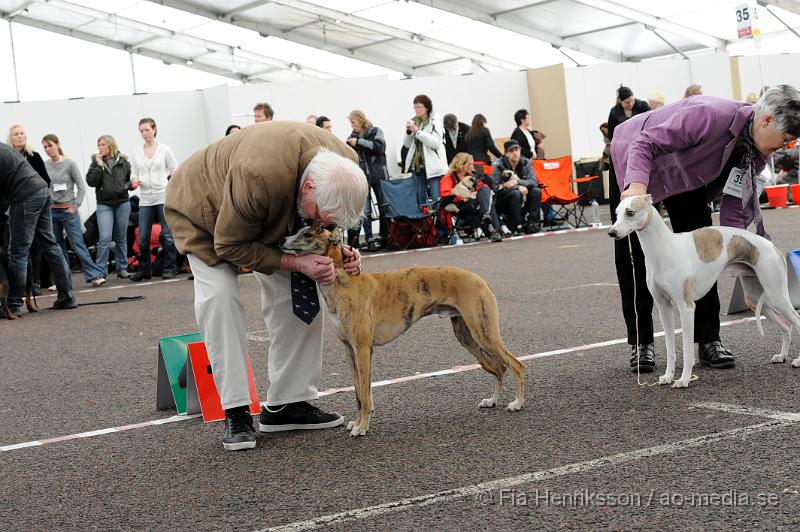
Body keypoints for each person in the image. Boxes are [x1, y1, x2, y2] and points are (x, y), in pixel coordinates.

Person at [165, 122, 368, 451]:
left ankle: (289, 403)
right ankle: (236, 409)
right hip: (205, 213)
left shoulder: (346, 165)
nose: (322, 225)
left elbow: (327, 223)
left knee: (300, 288)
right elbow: (228, 246)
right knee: (219, 298)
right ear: (308, 188)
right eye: (320, 217)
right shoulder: (260, 174)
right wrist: (295, 261)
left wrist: (342, 253)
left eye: (330, 223)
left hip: (269, 208)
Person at [611, 84, 800, 375]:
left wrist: (743, 261)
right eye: (786, 138)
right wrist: (636, 183)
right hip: (636, 159)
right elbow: (645, 143)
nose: (786, 146)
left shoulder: (759, 152)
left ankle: (709, 339)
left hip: (689, 179)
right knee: (635, 255)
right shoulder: (709, 114)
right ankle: (642, 343)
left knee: (704, 249)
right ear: (766, 121)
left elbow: (734, 211)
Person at [606, 85, 653, 371]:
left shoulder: (646, 107)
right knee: (630, 263)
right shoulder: (614, 114)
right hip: (624, 173)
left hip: (659, 167)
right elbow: (613, 141)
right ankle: (641, 343)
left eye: (632, 99)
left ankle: (706, 338)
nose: (630, 103)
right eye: (626, 101)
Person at [0, 143, 76, 314]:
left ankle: (13, 304)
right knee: (50, 245)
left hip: (24, 196)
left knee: (18, 251)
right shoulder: (3, 148)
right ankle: (67, 297)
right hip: (41, 191)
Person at [41, 134, 106, 287]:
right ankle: (63, 281)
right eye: (45, 147)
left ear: (57, 144)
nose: (48, 149)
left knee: (77, 244)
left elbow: (81, 187)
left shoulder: (69, 164)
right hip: (52, 212)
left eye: (50, 145)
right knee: (57, 247)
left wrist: (75, 206)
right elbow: (43, 187)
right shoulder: (45, 165)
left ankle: (95, 275)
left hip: (68, 211)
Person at [129, 118, 179, 282]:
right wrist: (134, 180)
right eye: (141, 131)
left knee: (167, 234)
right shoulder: (136, 152)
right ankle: (145, 270)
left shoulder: (165, 150)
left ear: (154, 129)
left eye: (147, 130)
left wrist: (171, 188)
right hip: (145, 198)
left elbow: (175, 170)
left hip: (162, 195)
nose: (144, 133)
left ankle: (170, 268)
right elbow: (134, 172)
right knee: (143, 237)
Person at [8, 124, 51, 294]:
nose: (19, 136)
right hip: (15, 206)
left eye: (22, 133)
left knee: (35, 246)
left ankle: (35, 282)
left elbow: (46, 180)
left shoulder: (35, 156)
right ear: (10, 138)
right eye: (16, 134)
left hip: (34, 204)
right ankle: (20, 285)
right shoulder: (8, 157)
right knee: (19, 247)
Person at [86, 135, 136, 280]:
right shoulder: (95, 162)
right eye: (99, 145)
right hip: (104, 205)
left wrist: (128, 186)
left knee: (121, 237)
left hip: (122, 203)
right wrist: (99, 166)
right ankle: (101, 271)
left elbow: (128, 180)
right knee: (105, 238)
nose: (100, 148)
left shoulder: (124, 162)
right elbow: (91, 182)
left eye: (103, 145)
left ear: (110, 145)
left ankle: (122, 268)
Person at [346, 110, 389, 251]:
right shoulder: (351, 137)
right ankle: (369, 239)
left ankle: (385, 237)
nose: (352, 126)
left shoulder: (376, 131)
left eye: (353, 122)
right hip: (361, 178)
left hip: (379, 175)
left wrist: (359, 142)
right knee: (366, 211)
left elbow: (379, 147)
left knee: (384, 207)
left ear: (360, 120)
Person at [439, 153, 502, 242]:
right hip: (459, 207)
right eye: (471, 164)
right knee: (485, 204)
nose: (473, 166)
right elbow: (446, 196)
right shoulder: (447, 179)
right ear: (462, 165)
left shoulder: (471, 176)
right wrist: (463, 198)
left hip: (473, 203)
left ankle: (486, 217)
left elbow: (483, 188)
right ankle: (494, 230)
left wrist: (481, 194)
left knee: (485, 191)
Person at [402, 94, 448, 207]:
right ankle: (426, 224)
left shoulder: (435, 121)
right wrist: (408, 132)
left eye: (419, 107)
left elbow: (435, 143)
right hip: (417, 167)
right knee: (419, 200)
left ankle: (440, 224)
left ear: (427, 107)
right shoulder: (414, 121)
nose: (417, 110)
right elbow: (407, 144)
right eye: (415, 107)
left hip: (434, 167)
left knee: (437, 200)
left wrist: (418, 132)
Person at [492, 139, 543, 234]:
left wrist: (517, 182)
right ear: (506, 154)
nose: (515, 153)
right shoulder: (499, 165)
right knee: (515, 193)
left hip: (524, 194)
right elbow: (496, 187)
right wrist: (517, 188)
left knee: (536, 191)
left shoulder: (526, 163)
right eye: (511, 151)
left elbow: (533, 181)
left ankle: (533, 223)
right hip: (504, 199)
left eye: (517, 150)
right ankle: (518, 225)